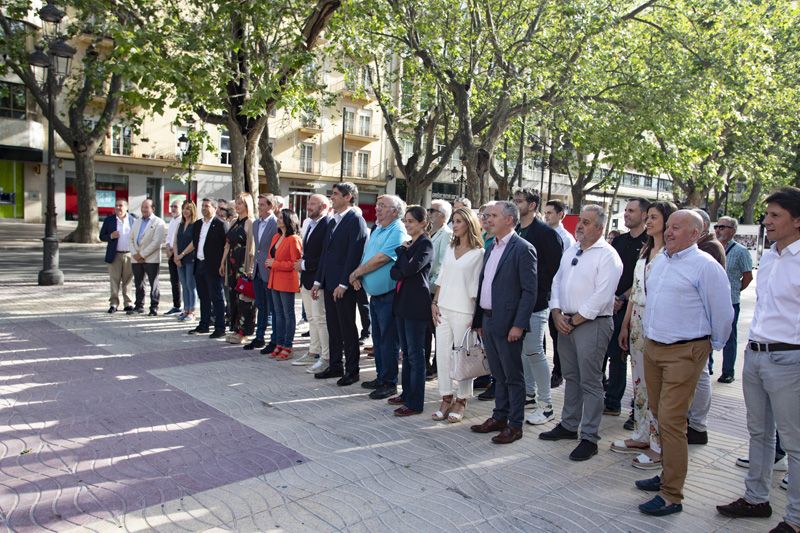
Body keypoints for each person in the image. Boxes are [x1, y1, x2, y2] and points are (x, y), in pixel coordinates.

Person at [634, 209, 732, 517]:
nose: (671, 231)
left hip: (684, 351)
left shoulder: (706, 267)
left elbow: (722, 314)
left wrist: (708, 348)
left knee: (672, 421)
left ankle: (671, 495)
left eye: (678, 228)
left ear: (695, 234)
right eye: (670, 226)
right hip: (654, 348)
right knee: (657, 414)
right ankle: (667, 474)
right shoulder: (661, 259)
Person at [717, 186, 800, 533]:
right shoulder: (770, 257)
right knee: (759, 433)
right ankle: (756, 498)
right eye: (766, 215)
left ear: (797, 221)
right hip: (756, 355)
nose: (767, 222)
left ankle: (795, 518)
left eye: (775, 216)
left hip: (789, 359)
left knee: (794, 443)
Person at [540, 205, 623, 460]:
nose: (580, 226)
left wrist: (574, 320)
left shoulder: (608, 255)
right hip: (565, 321)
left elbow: (602, 295)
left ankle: (589, 437)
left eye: (587, 222)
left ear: (600, 228)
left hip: (591, 324)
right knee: (572, 377)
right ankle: (568, 425)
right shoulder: (572, 249)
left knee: (590, 381)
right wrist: (555, 312)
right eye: (581, 221)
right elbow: (557, 281)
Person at [613, 201, 677, 471]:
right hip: (637, 320)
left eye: (654, 217)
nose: (649, 222)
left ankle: (658, 444)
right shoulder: (645, 250)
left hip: (657, 323)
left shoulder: (671, 254)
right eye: (648, 217)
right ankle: (641, 434)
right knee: (639, 382)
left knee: (656, 388)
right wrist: (626, 325)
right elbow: (635, 294)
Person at [470, 201, 537, 445]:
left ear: (509, 219)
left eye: (493, 216)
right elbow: (484, 284)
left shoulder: (523, 248)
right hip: (488, 320)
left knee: (513, 376)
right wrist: (478, 318)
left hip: (508, 324)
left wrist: (519, 325)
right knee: (497, 374)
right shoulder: (491, 246)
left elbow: (529, 291)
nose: (487, 219)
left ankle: (515, 425)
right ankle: (499, 417)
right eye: (486, 216)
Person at [349, 195, 407, 399]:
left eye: (383, 206)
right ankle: (381, 377)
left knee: (389, 340)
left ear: (394, 211)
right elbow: (368, 256)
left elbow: (382, 258)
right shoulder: (379, 228)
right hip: (376, 295)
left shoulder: (398, 229)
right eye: (377, 205)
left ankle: (390, 382)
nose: (377, 209)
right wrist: (358, 273)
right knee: (378, 339)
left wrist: (357, 273)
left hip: (389, 295)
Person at [513, 189, 563, 426]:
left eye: (520, 201)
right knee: (523, 351)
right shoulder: (515, 229)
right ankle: (529, 394)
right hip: (517, 303)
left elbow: (552, 270)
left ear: (532, 205)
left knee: (534, 351)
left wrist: (531, 292)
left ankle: (546, 405)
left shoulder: (545, 233)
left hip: (536, 303)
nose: (516, 204)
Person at [312, 182, 369, 386]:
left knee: (347, 328)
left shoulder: (356, 220)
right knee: (333, 327)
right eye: (332, 194)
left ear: (348, 197)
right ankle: (336, 365)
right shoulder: (333, 220)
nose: (332, 197)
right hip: (329, 283)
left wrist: (344, 283)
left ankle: (352, 370)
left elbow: (354, 255)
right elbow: (325, 254)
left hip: (343, 285)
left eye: (335, 194)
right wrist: (318, 281)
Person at [431, 207, 484, 422]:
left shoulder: (479, 253)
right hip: (443, 308)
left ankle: (462, 400)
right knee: (442, 356)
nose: (456, 224)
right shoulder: (451, 248)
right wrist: (434, 302)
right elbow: (441, 278)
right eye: (454, 220)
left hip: (465, 310)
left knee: (463, 357)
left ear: (469, 224)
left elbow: (477, 287)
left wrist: (476, 315)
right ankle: (445, 397)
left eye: (460, 220)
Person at [604, 198, 650, 418]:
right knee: (615, 355)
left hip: (636, 307)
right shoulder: (619, 241)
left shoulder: (650, 243)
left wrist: (622, 297)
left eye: (631, 211)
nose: (626, 214)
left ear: (644, 215)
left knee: (638, 360)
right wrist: (612, 298)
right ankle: (612, 401)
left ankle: (638, 409)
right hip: (614, 306)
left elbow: (643, 278)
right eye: (626, 210)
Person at [685, 207, 726, 446]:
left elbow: (717, 302)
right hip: (688, 331)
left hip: (699, 331)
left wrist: (716, 341)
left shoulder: (709, 250)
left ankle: (698, 424)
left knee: (700, 376)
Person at [388, 206, 434, 416]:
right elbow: (394, 273)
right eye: (405, 221)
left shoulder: (425, 244)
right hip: (402, 303)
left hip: (416, 304)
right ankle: (406, 393)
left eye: (411, 221)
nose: (407, 225)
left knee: (416, 355)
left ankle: (415, 402)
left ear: (423, 223)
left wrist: (402, 253)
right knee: (406, 353)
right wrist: (404, 255)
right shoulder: (409, 245)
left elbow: (408, 270)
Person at [295, 194, 333, 371]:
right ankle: (313, 352)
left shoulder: (327, 225)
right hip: (306, 278)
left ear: (324, 206)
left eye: (313, 204)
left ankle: (326, 357)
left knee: (320, 319)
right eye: (309, 203)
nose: (308, 206)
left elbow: (325, 256)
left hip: (318, 280)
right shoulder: (310, 224)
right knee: (311, 318)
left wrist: (303, 264)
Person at [714, 216, 753, 383]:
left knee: (729, 337)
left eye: (723, 227)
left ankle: (728, 371)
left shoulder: (741, 251)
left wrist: (735, 289)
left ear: (733, 231)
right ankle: (706, 366)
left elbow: (748, 277)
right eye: (717, 226)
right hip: (709, 301)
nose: (718, 230)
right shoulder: (709, 248)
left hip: (730, 301)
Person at [543, 199, 576, 389]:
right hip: (546, 290)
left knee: (556, 335)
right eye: (545, 212)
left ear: (560, 215)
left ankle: (558, 371)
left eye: (550, 213)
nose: (546, 216)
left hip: (557, 292)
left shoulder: (566, 238)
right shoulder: (545, 233)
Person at [186, 198, 228, 338]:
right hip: (199, 263)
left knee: (216, 297)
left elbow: (225, 247)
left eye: (207, 206)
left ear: (215, 208)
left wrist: (222, 264)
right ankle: (204, 324)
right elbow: (196, 242)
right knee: (203, 296)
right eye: (202, 206)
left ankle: (220, 327)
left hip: (214, 266)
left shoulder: (221, 224)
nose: (204, 208)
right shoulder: (198, 224)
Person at [266, 208, 303, 359]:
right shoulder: (276, 236)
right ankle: (279, 344)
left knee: (288, 315)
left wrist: (275, 264)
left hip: (287, 281)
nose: (278, 219)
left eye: (281, 217)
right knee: (278, 314)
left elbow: (296, 264)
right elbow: (271, 256)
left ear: (289, 220)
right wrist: (269, 263)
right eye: (278, 217)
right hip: (274, 280)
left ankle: (288, 345)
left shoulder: (294, 239)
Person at [221, 193, 256, 344]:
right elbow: (227, 244)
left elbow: (252, 247)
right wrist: (222, 263)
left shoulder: (250, 222)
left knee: (245, 298)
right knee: (233, 298)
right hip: (231, 264)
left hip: (243, 264)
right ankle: (235, 328)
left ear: (247, 205)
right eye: (236, 203)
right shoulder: (234, 221)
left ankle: (244, 331)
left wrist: (251, 267)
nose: (237, 206)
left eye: (240, 203)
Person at [244, 195, 278, 351]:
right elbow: (256, 248)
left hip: (270, 270)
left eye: (263, 204)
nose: (259, 207)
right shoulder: (256, 223)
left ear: (271, 206)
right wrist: (252, 267)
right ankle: (259, 337)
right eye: (259, 204)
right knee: (261, 306)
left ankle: (275, 340)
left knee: (273, 308)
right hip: (257, 269)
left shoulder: (276, 222)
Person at [426, 199, 454, 379]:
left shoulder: (446, 235)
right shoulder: (430, 233)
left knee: (438, 331)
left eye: (432, 210)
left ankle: (437, 366)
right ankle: (427, 365)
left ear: (442, 216)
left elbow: (444, 264)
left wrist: (436, 289)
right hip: (425, 288)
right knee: (427, 329)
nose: (428, 213)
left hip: (435, 290)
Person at [128, 199, 166, 316]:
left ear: (153, 209)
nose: (144, 209)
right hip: (136, 258)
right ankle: (139, 306)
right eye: (143, 207)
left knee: (153, 283)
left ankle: (154, 307)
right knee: (139, 283)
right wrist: (135, 253)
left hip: (151, 258)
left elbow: (156, 242)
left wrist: (142, 255)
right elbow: (131, 239)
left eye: (147, 207)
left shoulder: (159, 222)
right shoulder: (137, 221)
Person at [99, 199, 136, 314]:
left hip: (129, 254)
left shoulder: (133, 219)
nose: (118, 208)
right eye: (116, 206)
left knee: (128, 280)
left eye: (121, 206)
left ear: (126, 207)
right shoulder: (109, 220)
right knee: (114, 280)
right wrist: (111, 235)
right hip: (114, 254)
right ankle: (114, 303)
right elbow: (102, 236)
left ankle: (128, 303)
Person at [173, 201, 198, 322]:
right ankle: (185, 309)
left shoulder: (195, 224)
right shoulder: (180, 224)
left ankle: (192, 311)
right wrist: (176, 256)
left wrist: (182, 254)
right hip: (179, 259)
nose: (185, 211)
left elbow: (194, 243)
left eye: (188, 208)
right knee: (183, 284)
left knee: (190, 284)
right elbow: (175, 241)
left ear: (193, 210)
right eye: (184, 208)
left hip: (190, 258)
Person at [163, 200, 183, 315]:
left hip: (178, 254)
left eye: (175, 206)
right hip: (171, 254)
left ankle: (184, 307)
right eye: (172, 206)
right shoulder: (172, 220)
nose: (173, 208)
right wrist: (167, 247)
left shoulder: (181, 220)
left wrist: (173, 251)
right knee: (174, 281)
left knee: (182, 281)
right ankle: (176, 305)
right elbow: (169, 237)